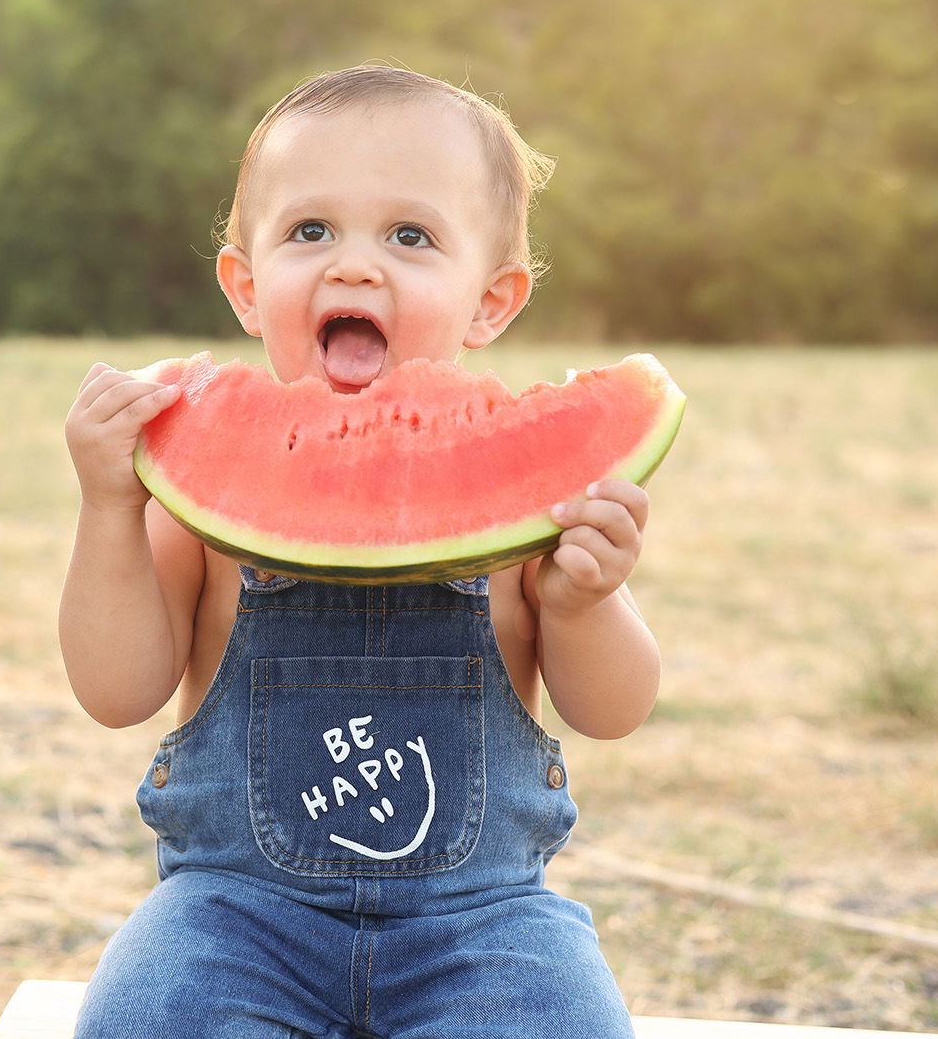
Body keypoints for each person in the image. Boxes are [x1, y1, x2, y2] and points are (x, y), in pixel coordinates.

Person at [59, 65, 657, 1037]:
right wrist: (108, 510)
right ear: (245, 287)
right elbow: (114, 687)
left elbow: (612, 710)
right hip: (233, 917)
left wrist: (585, 602)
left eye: (408, 235)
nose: (352, 265)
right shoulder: (200, 506)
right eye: (309, 230)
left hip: (482, 926)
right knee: (138, 1016)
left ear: (490, 301)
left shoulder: (527, 506)